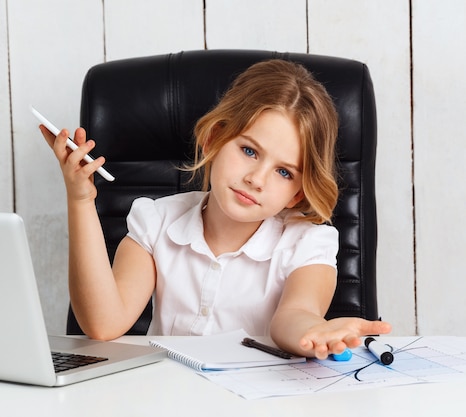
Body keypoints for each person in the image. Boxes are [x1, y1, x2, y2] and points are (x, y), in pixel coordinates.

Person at [38, 59, 391, 359]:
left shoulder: (309, 244)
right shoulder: (156, 222)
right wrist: (81, 199)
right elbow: (103, 323)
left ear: (297, 194)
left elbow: (294, 315)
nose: (256, 179)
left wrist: (315, 331)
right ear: (214, 139)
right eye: (249, 151)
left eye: (284, 172)